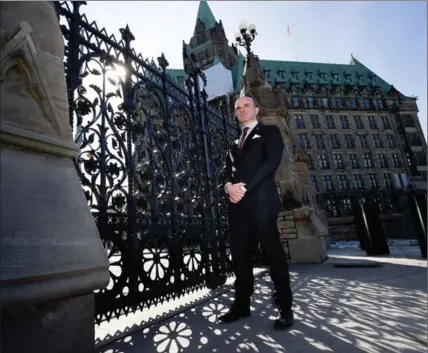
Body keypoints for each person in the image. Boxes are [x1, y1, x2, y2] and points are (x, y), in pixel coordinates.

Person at [219, 96, 294, 330]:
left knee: (273, 255)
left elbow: (271, 162)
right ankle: (241, 305)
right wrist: (228, 187)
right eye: (238, 108)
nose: (242, 110)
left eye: (246, 106)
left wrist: (244, 187)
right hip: (237, 206)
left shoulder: (269, 131)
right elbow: (226, 172)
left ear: (257, 109)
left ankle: (285, 308)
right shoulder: (232, 142)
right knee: (240, 257)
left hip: (262, 203)